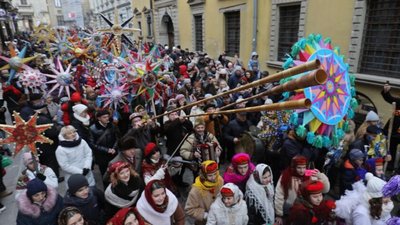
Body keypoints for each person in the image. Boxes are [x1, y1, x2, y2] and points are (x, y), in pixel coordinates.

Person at [274, 155, 330, 225]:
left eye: (304, 167)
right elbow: (279, 195)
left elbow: (325, 190)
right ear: (294, 167)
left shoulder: (309, 174)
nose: (302, 170)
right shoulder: (286, 176)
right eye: (299, 168)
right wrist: (279, 214)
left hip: (306, 209)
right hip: (288, 209)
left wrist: (321, 176)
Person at [185, 160, 224, 225]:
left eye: (215, 174)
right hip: (204, 222)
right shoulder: (196, 190)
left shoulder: (220, 180)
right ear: (204, 175)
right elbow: (189, 210)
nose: (213, 177)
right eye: (210, 175)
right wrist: (205, 215)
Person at [90, 109, 119, 176]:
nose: (107, 118)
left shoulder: (112, 126)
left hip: (113, 153)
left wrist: (114, 148)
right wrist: (107, 150)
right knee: (105, 174)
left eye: (107, 116)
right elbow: (92, 144)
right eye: (104, 117)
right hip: (101, 156)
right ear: (99, 118)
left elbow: (117, 138)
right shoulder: (92, 129)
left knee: (116, 173)